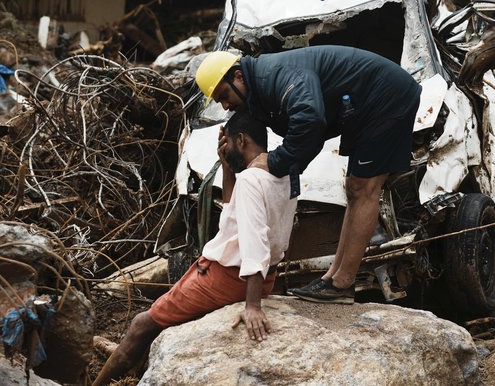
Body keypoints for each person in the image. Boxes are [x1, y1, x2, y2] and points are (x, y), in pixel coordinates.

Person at [195, 45, 421, 304]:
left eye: (224, 95)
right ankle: (332, 278)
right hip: (363, 106)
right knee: (354, 189)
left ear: (238, 76)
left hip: (385, 96)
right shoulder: (259, 89)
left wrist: (276, 161)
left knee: (365, 188)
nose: (226, 105)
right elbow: (306, 133)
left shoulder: (274, 76)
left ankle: (342, 284)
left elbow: (310, 120)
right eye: (219, 102)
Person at [92, 112, 298, 386]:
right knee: (162, 318)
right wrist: (227, 169)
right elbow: (234, 217)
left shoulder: (250, 180)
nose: (226, 150)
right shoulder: (283, 174)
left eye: (229, 145)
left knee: (142, 323)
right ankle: (134, 366)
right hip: (255, 277)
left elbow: (254, 243)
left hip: (225, 278)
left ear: (241, 139)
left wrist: (252, 306)